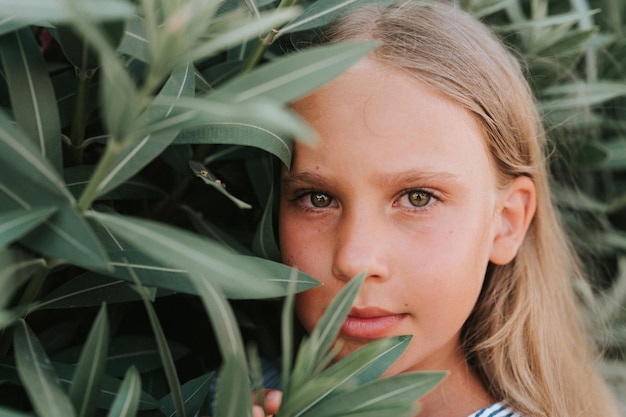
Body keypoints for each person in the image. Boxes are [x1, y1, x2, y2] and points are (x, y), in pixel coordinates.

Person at [257, 1, 621, 416]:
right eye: (317, 198)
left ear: (506, 223)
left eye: (418, 198)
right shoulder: (221, 395)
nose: (355, 260)